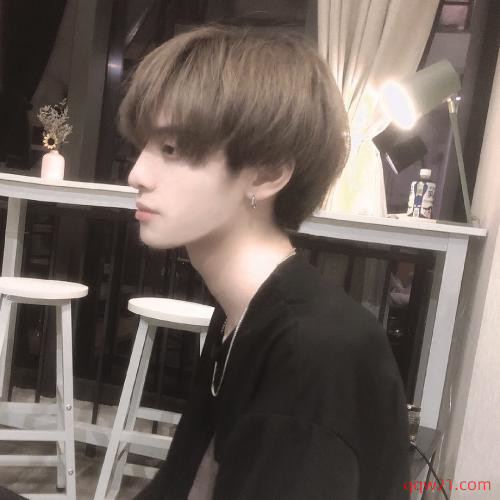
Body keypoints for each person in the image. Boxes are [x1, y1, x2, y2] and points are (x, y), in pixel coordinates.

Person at [120, 24, 410, 499]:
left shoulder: (313, 353)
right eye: (143, 146)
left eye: (171, 149)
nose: (137, 174)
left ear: (268, 173)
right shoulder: (241, 313)